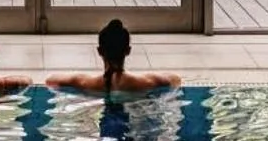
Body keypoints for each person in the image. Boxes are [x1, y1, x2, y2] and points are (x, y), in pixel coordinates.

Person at [45, 19, 180, 95]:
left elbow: (50, 80)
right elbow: (176, 79)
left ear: (99, 51)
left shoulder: (85, 83)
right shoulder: (146, 82)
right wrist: (149, 76)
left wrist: (78, 77)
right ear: (128, 51)